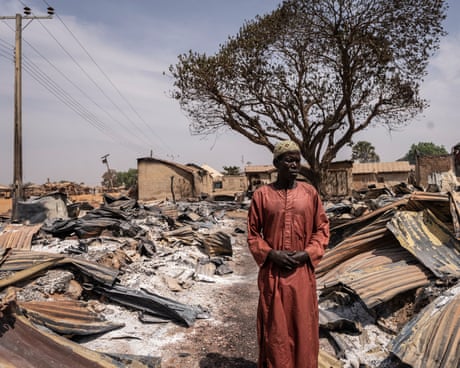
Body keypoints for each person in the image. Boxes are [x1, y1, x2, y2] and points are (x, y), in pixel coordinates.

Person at [247, 140, 330, 368]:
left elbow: (321, 229)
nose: (294, 164)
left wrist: (307, 253)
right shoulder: (262, 195)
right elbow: (253, 234)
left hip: (301, 275)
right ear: (276, 163)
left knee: (303, 327)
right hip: (273, 275)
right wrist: (271, 254)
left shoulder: (309, 193)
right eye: (288, 160)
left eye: (297, 160)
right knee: (276, 332)